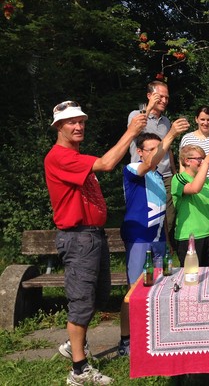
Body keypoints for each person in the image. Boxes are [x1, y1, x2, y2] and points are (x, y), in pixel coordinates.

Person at [45, 100, 146, 385]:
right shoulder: (59, 156)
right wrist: (130, 131)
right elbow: (107, 163)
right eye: (71, 122)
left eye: (81, 122)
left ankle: (73, 345)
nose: (78, 126)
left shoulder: (77, 157)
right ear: (58, 127)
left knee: (97, 298)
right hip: (78, 238)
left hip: (92, 236)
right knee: (81, 303)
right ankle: (78, 370)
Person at [118, 119, 188, 357]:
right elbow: (147, 164)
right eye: (153, 150)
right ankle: (126, 341)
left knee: (159, 289)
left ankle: (154, 337)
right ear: (140, 151)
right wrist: (171, 134)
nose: (159, 155)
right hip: (139, 240)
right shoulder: (133, 170)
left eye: (161, 151)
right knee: (133, 293)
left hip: (158, 241)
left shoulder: (158, 175)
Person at [128, 81, 178, 250]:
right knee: (147, 219)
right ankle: (143, 254)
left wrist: (174, 171)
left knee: (168, 219)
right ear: (149, 96)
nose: (164, 100)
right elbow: (132, 132)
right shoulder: (136, 115)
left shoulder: (165, 121)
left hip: (165, 176)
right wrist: (148, 108)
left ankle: (166, 256)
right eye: (160, 97)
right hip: (142, 176)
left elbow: (168, 149)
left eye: (167, 97)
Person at [172, 145, 209, 267]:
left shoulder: (206, 181)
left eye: (203, 158)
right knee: (192, 278)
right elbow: (194, 189)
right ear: (187, 161)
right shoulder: (178, 178)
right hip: (190, 238)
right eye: (199, 159)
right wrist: (207, 162)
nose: (202, 162)